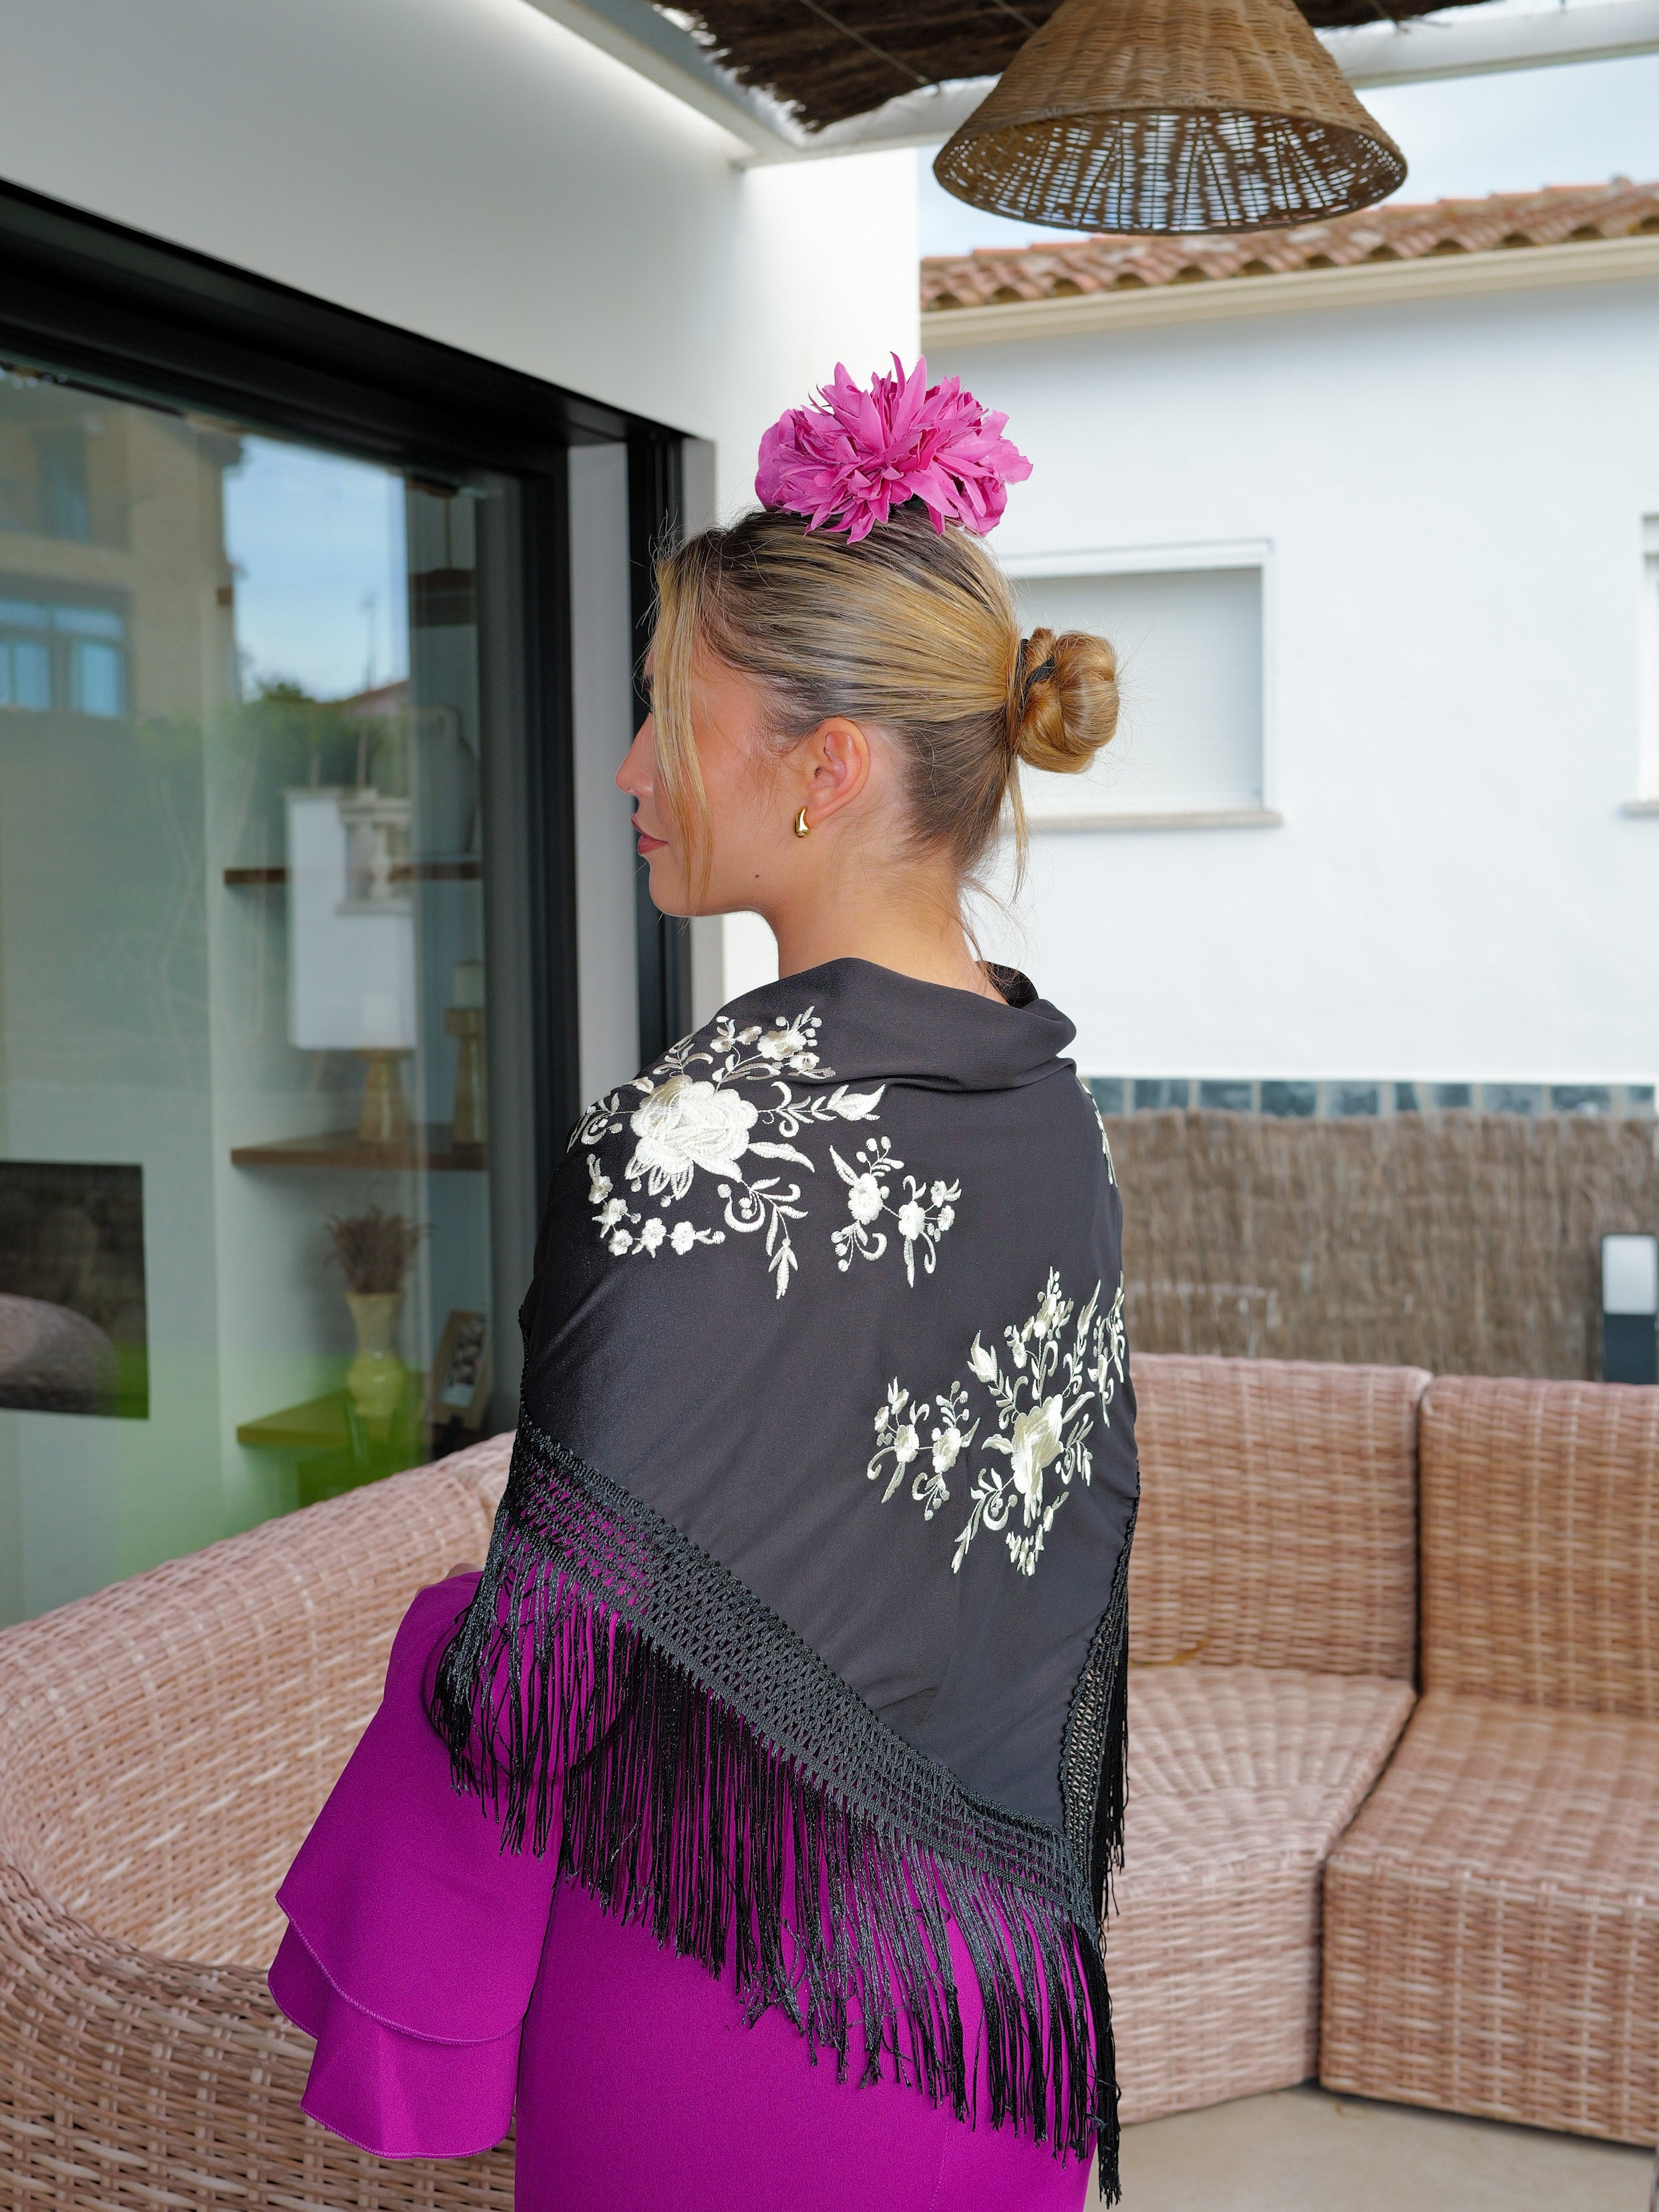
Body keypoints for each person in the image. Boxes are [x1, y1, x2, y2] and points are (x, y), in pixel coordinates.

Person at [270, 357, 1139, 2211]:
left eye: (671, 714)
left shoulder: (697, 1138)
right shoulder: (1046, 1099)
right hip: (985, 2001)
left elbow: (558, 1653)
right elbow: (1025, 1561)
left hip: (720, 2001)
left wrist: (439, 1649)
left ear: (823, 772)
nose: (630, 768)